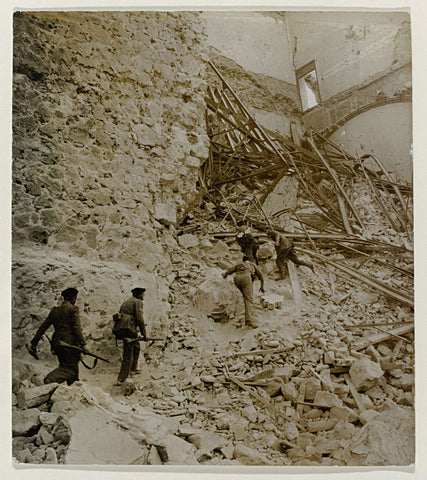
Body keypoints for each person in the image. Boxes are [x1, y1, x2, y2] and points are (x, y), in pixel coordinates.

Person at [28, 287, 86, 386]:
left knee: (72, 369)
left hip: (57, 345)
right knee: (70, 369)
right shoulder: (73, 309)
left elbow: (43, 327)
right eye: (75, 298)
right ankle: (50, 379)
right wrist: (84, 344)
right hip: (70, 345)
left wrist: (34, 343)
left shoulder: (55, 311)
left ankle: (73, 392)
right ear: (73, 298)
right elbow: (77, 328)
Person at [116, 287, 147, 386]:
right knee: (128, 353)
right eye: (142, 294)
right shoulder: (137, 302)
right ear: (138, 294)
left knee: (136, 347)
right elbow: (139, 319)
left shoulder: (128, 302)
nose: (143, 296)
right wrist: (144, 334)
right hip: (128, 328)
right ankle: (121, 378)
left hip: (125, 327)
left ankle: (133, 369)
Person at [222, 256, 265, 328]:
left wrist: (225, 274)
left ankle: (247, 312)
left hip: (237, 279)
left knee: (245, 297)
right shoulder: (252, 264)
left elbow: (230, 270)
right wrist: (262, 287)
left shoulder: (239, 264)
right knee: (249, 299)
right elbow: (261, 276)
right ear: (249, 260)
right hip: (246, 279)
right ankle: (249, 320)